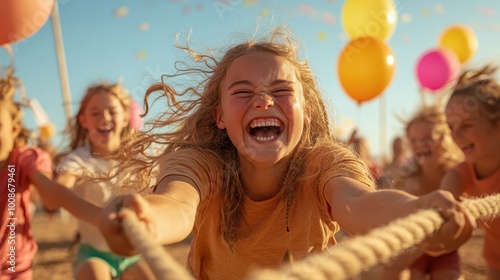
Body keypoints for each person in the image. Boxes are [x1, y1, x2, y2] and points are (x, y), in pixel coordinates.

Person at [99, 27, 475, 280]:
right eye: (243, 92)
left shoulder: (325, 162)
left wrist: (417, 212)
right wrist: (146, 217)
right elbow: (177, 203)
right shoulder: (201, 163)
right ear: (219, 117)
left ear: (306, 113)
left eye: (281, 90)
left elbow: (359, 203)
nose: (263, 99)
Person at [0, 70, 100, 279]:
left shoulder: (22, 160)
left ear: (14, 129)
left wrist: (102, 218)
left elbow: (51, 195)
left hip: (13, 266)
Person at [54, 82, 154, 280]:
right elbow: (60, 190)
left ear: (126, 117)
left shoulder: (141, 158)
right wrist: (57, 189)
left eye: (112, 111)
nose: (105, 118)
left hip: (132, 253)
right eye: (95, 113)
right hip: (93, 252)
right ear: (83, 121)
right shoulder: (78, 159)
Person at [442, 64, 500, 280]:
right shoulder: (459, 174)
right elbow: (444, 203)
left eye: (466, 125)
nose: (456, 134)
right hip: (496, 264)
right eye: (450, 127)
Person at [402, 105, 464, 280]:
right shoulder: (410, 181)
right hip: (414, 249)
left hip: (446, 249)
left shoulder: (456, 174)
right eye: (413, 140)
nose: (420, 145)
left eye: (427, 138)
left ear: (445, 139)